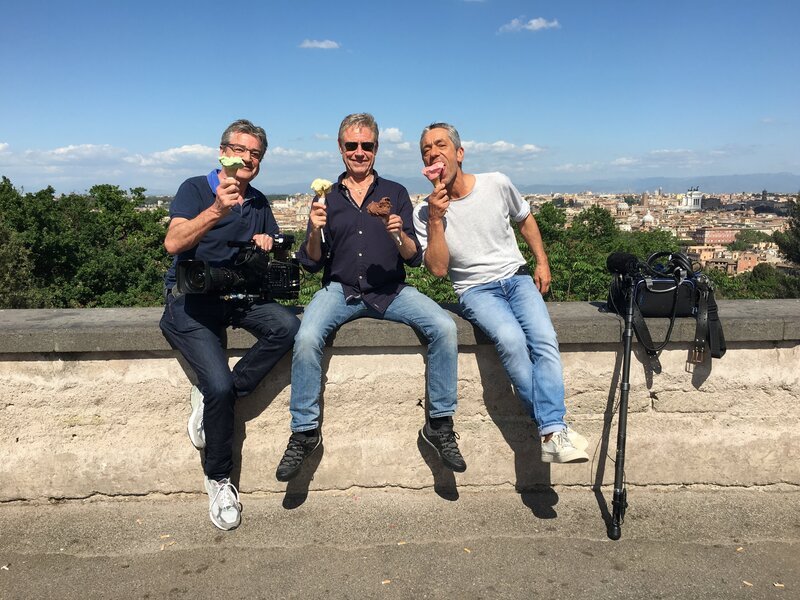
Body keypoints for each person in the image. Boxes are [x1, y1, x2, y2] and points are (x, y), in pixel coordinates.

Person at [275, 113, 464, 482]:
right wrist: (313, 230)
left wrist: (397, 234)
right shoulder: (326, 197)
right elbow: (311, 263)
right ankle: (304, 432)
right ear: (340, 148)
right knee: (307, 337)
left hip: (390, 290)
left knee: (443, 326)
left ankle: (439, 424)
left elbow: (412, 256)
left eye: (366, 145)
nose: (359, 152)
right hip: (340, 289)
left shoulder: (395, 193)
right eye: (352, 145)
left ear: (376, 148)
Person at [413, 122, 589, 464]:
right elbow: (437, 269)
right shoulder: (424, 211)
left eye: (440, 145)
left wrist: (542, 262)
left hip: (517, 278)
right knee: (511, 340)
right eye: (426, 150)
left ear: (459, 153)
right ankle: (554, 429)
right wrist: (436, 218)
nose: (433, 153)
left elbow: (525, 219)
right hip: (475, 290)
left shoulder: (496, 183)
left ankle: (552, 431)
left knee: (544, 339)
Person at [160, 119, 300, 530]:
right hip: (192, 300)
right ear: (222, 152)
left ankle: (213, 403)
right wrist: (217, 209)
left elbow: (275, 252)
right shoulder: (195, 189)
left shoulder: (258, 202)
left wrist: (270, 244)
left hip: (239, 295)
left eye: (255, 154)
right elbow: (173, 242)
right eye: (240, 150)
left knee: (288, 326)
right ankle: (219, 479)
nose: (247, 159)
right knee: (218, 384)